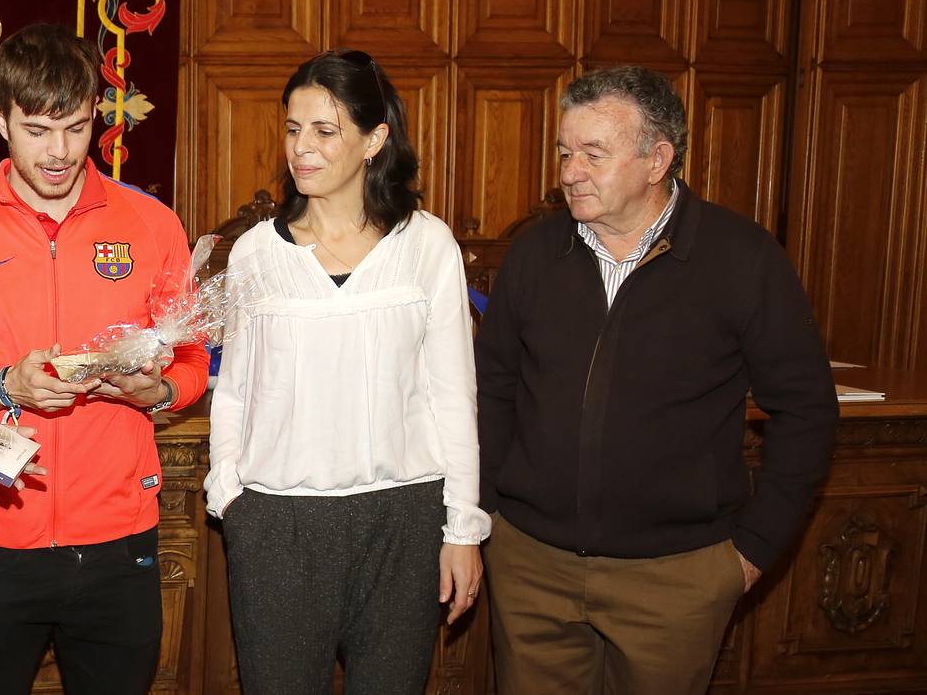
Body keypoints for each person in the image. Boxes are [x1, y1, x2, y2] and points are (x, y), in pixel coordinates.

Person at [476, 65, 838, 693]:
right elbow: (493, 389)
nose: (569, 171)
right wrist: (491, 515)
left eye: (593, 153)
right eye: (565, 152)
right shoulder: (535, 254)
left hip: (678, 576)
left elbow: (807, 411)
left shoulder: (743, 258)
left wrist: (751, 551)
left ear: (657, 159)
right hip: (532, 567)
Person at [0, 22, 212, 694]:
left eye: (74, 128)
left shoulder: (150, 223)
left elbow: (193, 361)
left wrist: (153, 393)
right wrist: (5, 386)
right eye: (37, 130)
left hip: (119, 540)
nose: (58, 152)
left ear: (95, 115)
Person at [204, 49, 485, 694]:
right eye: (294, 129)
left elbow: (452, 394)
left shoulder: (427, 244)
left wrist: (461, 526)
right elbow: (236, 392)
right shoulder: (255, 254)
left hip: (403, 522)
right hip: (277, 524)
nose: (303, 148)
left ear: (374, 139)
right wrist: (233, 499)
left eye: (325, 132)